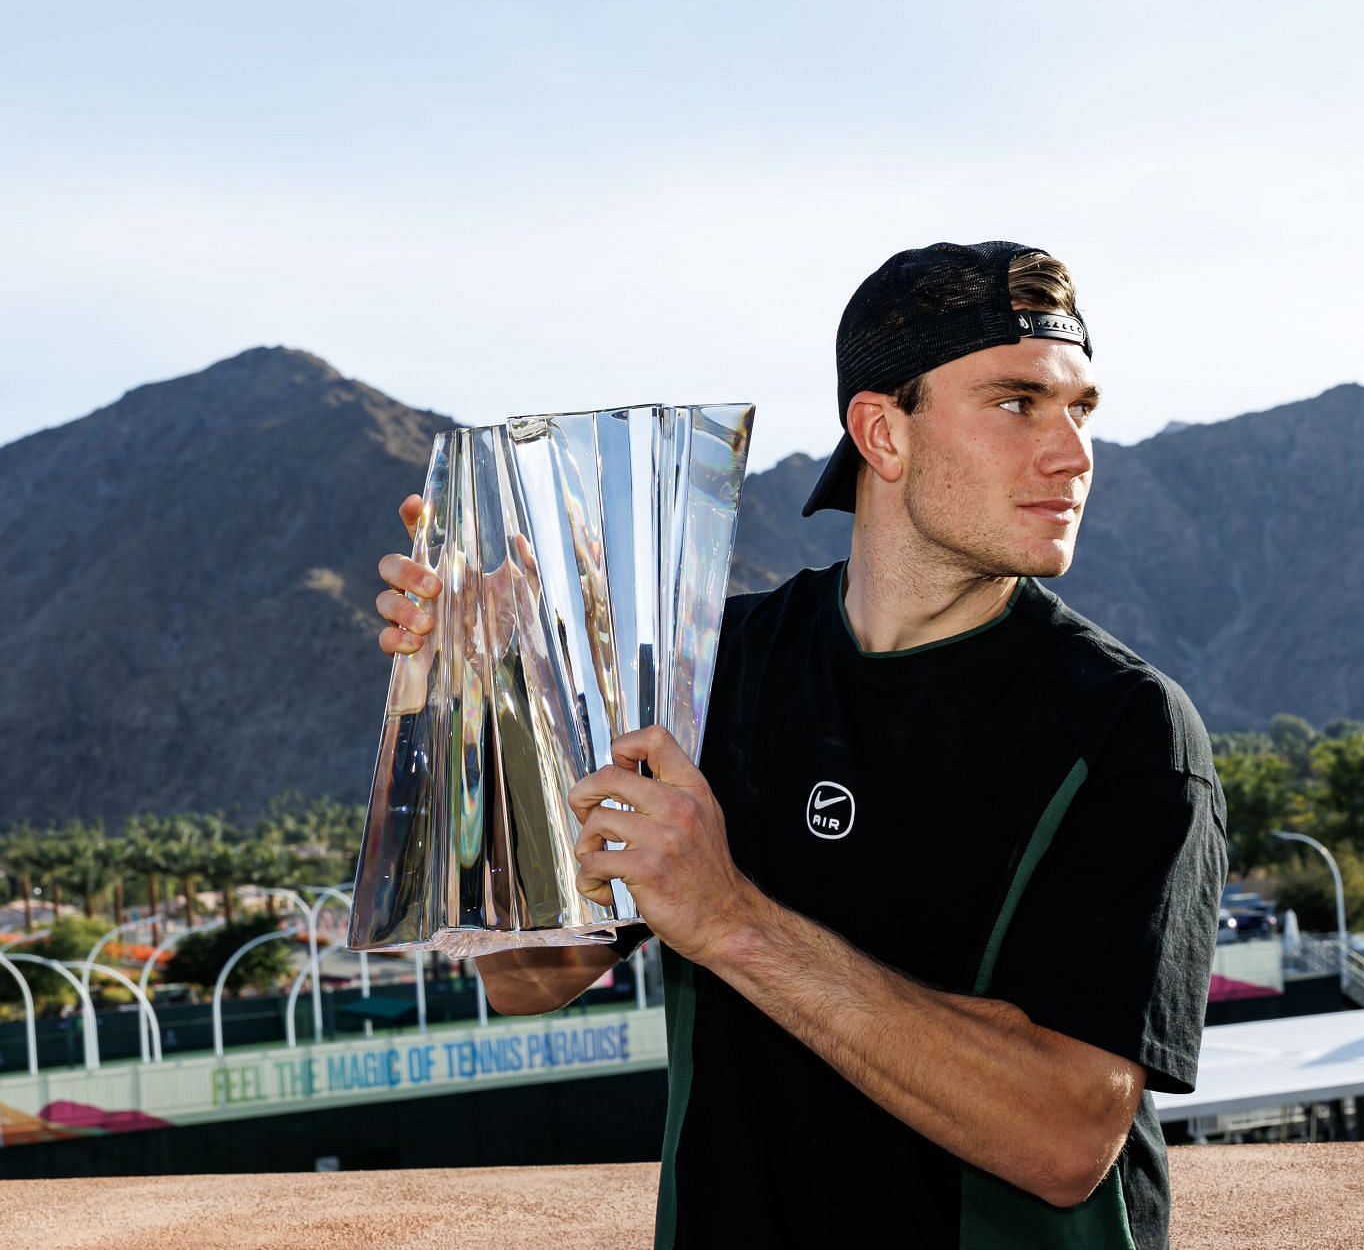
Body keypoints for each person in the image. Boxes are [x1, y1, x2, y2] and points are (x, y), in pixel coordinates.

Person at [375, 241, 1226, 1248]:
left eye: (1079, 410)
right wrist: (488, 702)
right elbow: (524, 979)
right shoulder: (714, 670)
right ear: (882, 431)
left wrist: (730, 917)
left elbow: (1068, 1132)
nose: (1073, 453)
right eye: (1016, 403)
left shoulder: (1126, 727)